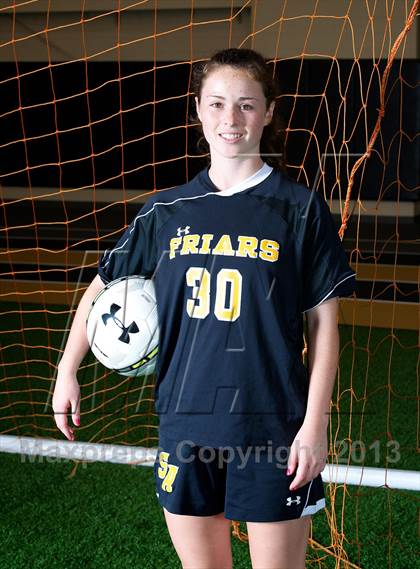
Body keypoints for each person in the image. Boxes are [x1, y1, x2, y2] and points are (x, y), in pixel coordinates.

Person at [53, 48, 356, 569]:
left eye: (245, 105)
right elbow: (101, 288)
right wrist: (67, 370)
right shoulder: (165, 210)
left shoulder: (299, 208)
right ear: (197, 110)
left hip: (273, 428)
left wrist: (315, 424)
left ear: (269, 112)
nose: (230, 119)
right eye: (217, 104)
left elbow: (324, 322)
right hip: (184, 424)